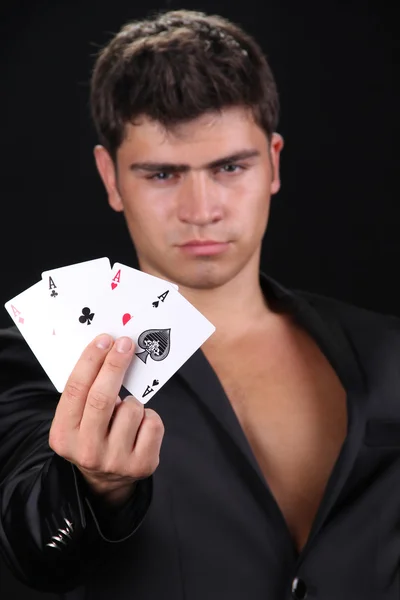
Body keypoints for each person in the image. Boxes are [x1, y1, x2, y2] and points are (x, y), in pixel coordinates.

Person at [0, 8, 399, 600]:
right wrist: (92, 486)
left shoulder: (387, 349)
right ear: (110, 178)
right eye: (162, 174)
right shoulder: (40, 352)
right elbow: (30, 549)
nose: (201, 209)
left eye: (230, 167)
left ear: (274, 163)